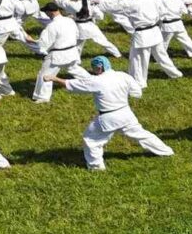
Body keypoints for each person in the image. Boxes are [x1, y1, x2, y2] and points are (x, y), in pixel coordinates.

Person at [45, 56, 174, 171]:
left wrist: (54, 78)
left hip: (108, 117)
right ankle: (166, 151)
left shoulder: (97, 80)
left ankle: (96, 168)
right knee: (142, 134)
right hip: (126, 113)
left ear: (99, 67)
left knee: (91, 140)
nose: (93, 70)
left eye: (94, 68)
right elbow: (137, 93)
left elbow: (73, 85)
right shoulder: (123, 76)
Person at [33, 2, 89, 104]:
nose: (46, 14)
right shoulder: (70, 21)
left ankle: (42, 97)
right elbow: (77, 34)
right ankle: (90, 81)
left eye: (46, 12)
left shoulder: (52, 26)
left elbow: (44, 43)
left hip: (58, 55)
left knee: (45, 74)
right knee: (74, 68)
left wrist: (35, 43)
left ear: (50, 12)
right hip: (72, 51)